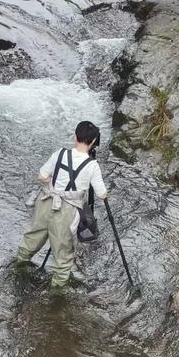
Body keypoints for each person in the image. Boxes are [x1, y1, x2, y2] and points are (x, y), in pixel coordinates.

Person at [16, 120, 107, 289]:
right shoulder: (92, 166)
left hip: (45, 202)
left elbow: (41, 176)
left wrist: (55, 185)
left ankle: (17, 268)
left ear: (75, 137)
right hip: (67, 212)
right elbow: (101, 194)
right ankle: (56, 293)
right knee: (63, 257)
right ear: (94, 142)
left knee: (31, 240)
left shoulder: (60, 153)